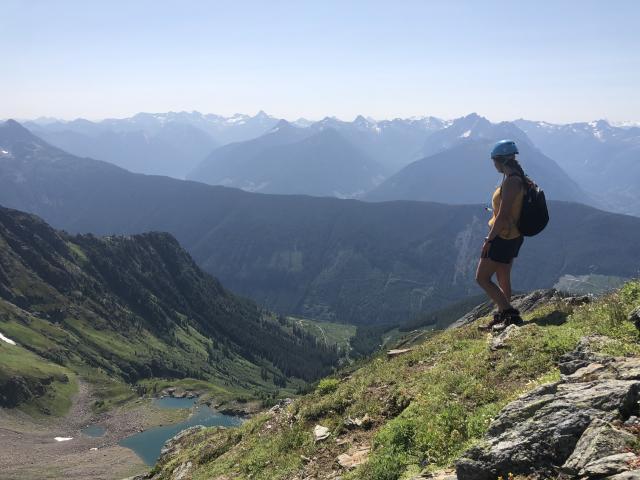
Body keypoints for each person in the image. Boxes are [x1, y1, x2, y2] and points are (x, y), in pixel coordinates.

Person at [476, 139, 527, 329]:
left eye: (494, 161)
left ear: (501, 160)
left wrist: (489, 240)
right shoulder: (516, 178)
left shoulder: (512, 182)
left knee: (482, 278)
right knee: (503, 277)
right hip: (513, 236)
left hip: (503, 237)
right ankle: (502, 315)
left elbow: (503, 216)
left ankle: (510, 313)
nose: (493, 165)